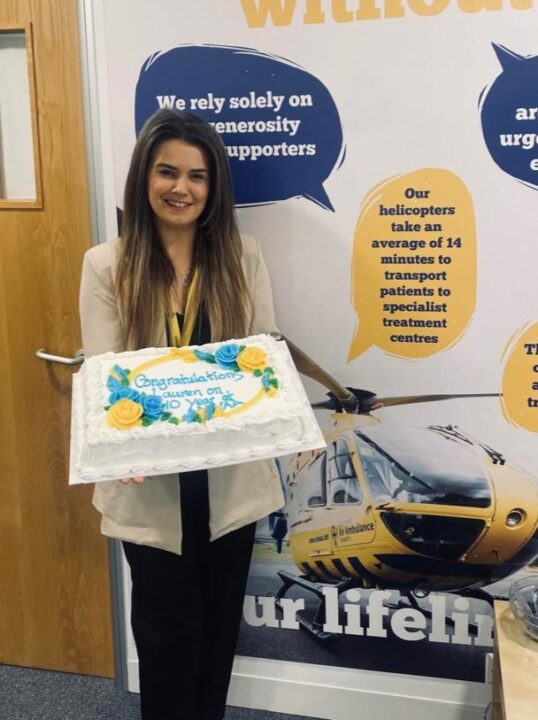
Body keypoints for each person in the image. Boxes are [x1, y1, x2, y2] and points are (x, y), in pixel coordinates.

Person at [79, 109, 285, 720]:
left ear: (213, 187)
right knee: (167, 635)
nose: (181, 188)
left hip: (230, 479)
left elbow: (265, 350)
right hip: (149, 484)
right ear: (144, 178)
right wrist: (124, 445)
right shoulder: (106, 264)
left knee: (218, 635)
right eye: (167, 172)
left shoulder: (241, 257)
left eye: (197, 176)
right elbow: (105, 371)